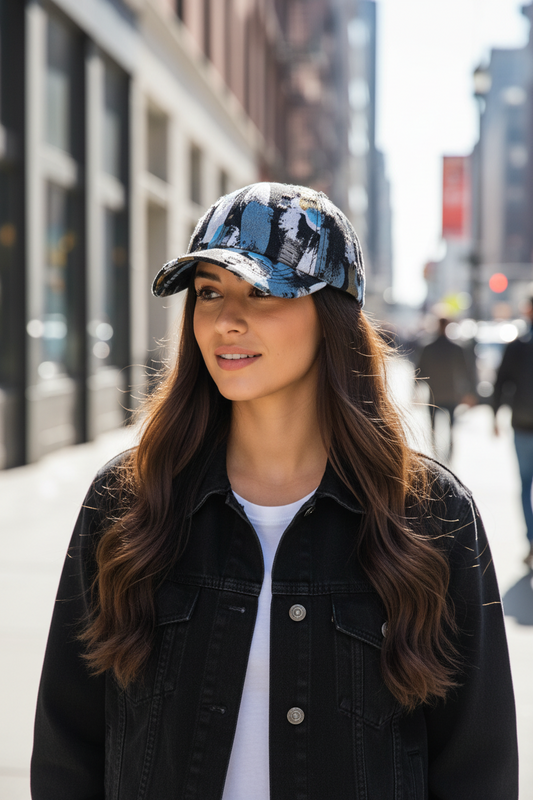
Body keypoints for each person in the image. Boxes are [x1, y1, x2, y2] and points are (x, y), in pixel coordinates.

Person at [31, 183, 517, 799]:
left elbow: (479, 766)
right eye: (209, 293)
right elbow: (67, 749)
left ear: (332, 313)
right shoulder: (129, 500)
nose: (226, 320)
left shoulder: (429, 514)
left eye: (262, 291)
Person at [493, 298, 533, 568]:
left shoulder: (518, 345)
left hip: (522, 423)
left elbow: (501, 381)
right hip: (521, 424)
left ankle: (531, 542)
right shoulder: (517, 344)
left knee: (525, 485)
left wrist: (495, 415)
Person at [417, 317, 476, 459]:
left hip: (434, 394)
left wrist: (415, 390)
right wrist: (470, 392)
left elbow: (419, 371)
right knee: (451, 426)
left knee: (433, 427)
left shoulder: (428, 348)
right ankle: (449, 451)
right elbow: (467, 371)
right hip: (451, 394)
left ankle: (435, 453)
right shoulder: (456, 348)